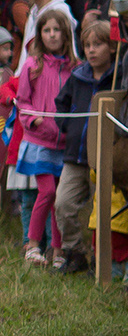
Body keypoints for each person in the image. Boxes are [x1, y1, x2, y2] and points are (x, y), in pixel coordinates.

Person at [53, 18, 119, 278]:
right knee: (63, 203)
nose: (91, 50)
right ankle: (75, 252)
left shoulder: (118, 78)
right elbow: (62, 105)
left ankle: (102, 260)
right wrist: (69, 129)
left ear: (112, 47)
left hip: (104, 156)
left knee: (101, 211)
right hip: (75, 156)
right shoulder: (77, 76)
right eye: (87, 45)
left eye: (98, 44)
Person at [12, 9, 74, 267]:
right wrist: (34, 120)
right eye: (46, 30)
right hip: (39, 142)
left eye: (56, 30)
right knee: (46, 192)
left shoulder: (75, 68)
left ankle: (57, 250)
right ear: (40, 34)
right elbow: (22, 101)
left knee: (59, 198)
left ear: (65, 34)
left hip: (64, 143)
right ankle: (33, 244)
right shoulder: (32, 65)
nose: (51, 35)